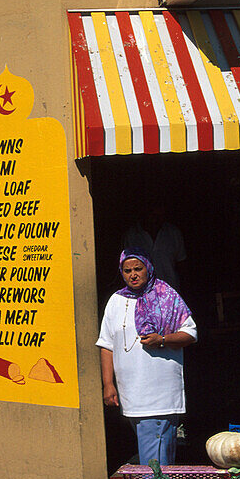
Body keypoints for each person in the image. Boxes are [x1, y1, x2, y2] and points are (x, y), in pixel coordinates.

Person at [97, 251, 197, 465]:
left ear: (148, 268)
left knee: (156, 454)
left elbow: (190, 334)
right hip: (131, 391)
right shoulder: (116, 301)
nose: (133, 275)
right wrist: (108, 384)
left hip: (160, 391)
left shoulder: (166, 295)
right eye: (127, 270)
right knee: (150, 450)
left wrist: (162, 340)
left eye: (138, 269)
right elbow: (106, 344)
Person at [122, 199, 186, 290]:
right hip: (142, 293)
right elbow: (126, 266)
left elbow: (181, 263)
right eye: (151, 214)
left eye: (158, 215)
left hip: (170, 291)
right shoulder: (132, 235)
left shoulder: (173, 233)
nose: (154, 218)